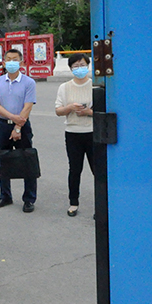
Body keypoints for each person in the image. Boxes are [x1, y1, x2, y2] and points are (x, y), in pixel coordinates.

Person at [0, 49, 38, 213]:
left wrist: (18, 127)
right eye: (8, 59)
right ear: (3, 63)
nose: (11, 62)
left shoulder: (29, 83)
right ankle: (5, 195)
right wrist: (12, 117)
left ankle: (29, 198)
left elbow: (28, 106)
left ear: (21, 62)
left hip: (23, 126)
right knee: (3, 160)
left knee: (27, 160)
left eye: (15, 59)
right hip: (2, 125)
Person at [55, 55, 95, 217]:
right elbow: (58, 110)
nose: (79, 68)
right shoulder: (64, 87)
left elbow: (103, 111)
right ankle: (73, 203)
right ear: (71, 68)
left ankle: (102, 204)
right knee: (75, 169)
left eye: (82, 65)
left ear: (88, 65)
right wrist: (70, 107)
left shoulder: (95, 85)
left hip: (93, 133)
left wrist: (88, 112)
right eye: (75, 66)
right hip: (73, 133)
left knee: (98, 170)